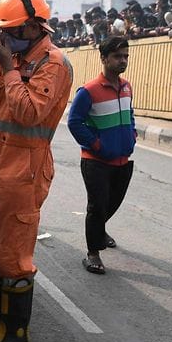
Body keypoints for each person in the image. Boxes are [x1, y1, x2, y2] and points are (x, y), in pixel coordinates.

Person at [0, 0, 72, 342]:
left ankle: (14, 333)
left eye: (8, 31)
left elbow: (29, 112)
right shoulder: (10, 58)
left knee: (12, 254)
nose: (3, 38)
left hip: (25, 169)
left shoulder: (52, 64)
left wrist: (8, 69)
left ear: (32, 28)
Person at [67, 37, 136, 274]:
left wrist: (132, 135)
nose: (123, 60)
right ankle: (93, 253)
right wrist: (96, 144)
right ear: (104, 58)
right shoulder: (88, 91)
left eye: (126, 56)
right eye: (118, 56)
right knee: (97, 206)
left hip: (122, 160)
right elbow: (74, 122)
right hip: (96, 161)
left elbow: (130, 113)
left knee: (112, 203)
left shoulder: (126, 86)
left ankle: (100, 230)